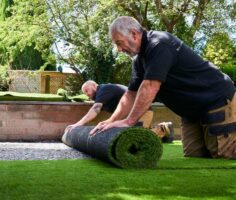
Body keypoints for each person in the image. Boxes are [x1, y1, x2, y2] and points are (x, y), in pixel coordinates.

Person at [91, 16, 236, 159]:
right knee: (194, 156)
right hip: (191, 112)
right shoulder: (139, 61)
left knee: (224, 154)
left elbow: (150, 86)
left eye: (119, 43)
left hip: (215, 99)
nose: (119, 49)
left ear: (134, 34)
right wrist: (111, 121)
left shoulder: (159, 44)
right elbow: (131, 94)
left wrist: (129, 121)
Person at [65, 80, 154, 134]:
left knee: (140, 136)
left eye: (87, 91)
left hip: (142, 112)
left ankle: (162, 129)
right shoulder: (103, 94)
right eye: (85, 93)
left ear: (94, 86)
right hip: (130, 115)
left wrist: (78, 124)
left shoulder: (104, 89)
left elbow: (95, 109)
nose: (87, 94)